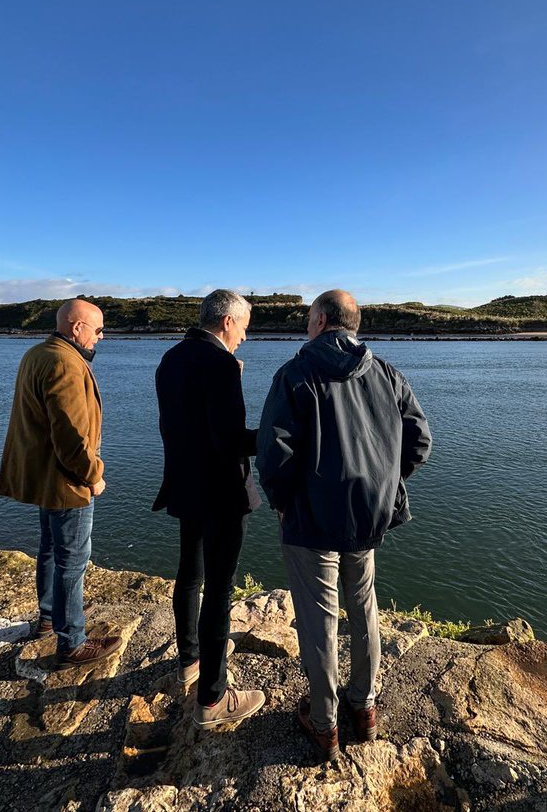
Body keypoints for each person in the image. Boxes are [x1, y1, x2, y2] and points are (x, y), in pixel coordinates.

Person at [258, 290, 432, 761]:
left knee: (318, 624)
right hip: (367, 517)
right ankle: (364, 707)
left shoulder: (294, 374)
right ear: (354, 324)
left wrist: (280, 502)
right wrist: (383, 484)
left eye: (308, 318)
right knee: (364, 609)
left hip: (311, 521)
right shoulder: (387, 373)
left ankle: (323, 723)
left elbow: (274, 455)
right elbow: (419, 442)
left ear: (318, 320)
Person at [153, 289, 266, 729]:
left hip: (183, 481)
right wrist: (276, 433)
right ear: (226, 322)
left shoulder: (170, 359)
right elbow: (230, 441)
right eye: (243, 328)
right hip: (220, 490)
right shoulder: (220, 365)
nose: (243, 338)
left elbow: (181, 421)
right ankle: (213, 699)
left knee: (189, 571)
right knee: (219, 588)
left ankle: (189, 659)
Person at [0, 298, 122, 669]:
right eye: (98, 330)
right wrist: (94, 475)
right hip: (67, 481)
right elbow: (71, 438)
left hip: (44, 477)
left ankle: (48, 620)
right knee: (73, 560)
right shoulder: (66, 362)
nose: (101, 337)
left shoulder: (38, 353)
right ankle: (72, 644)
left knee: (50, 548)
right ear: (77, 327)